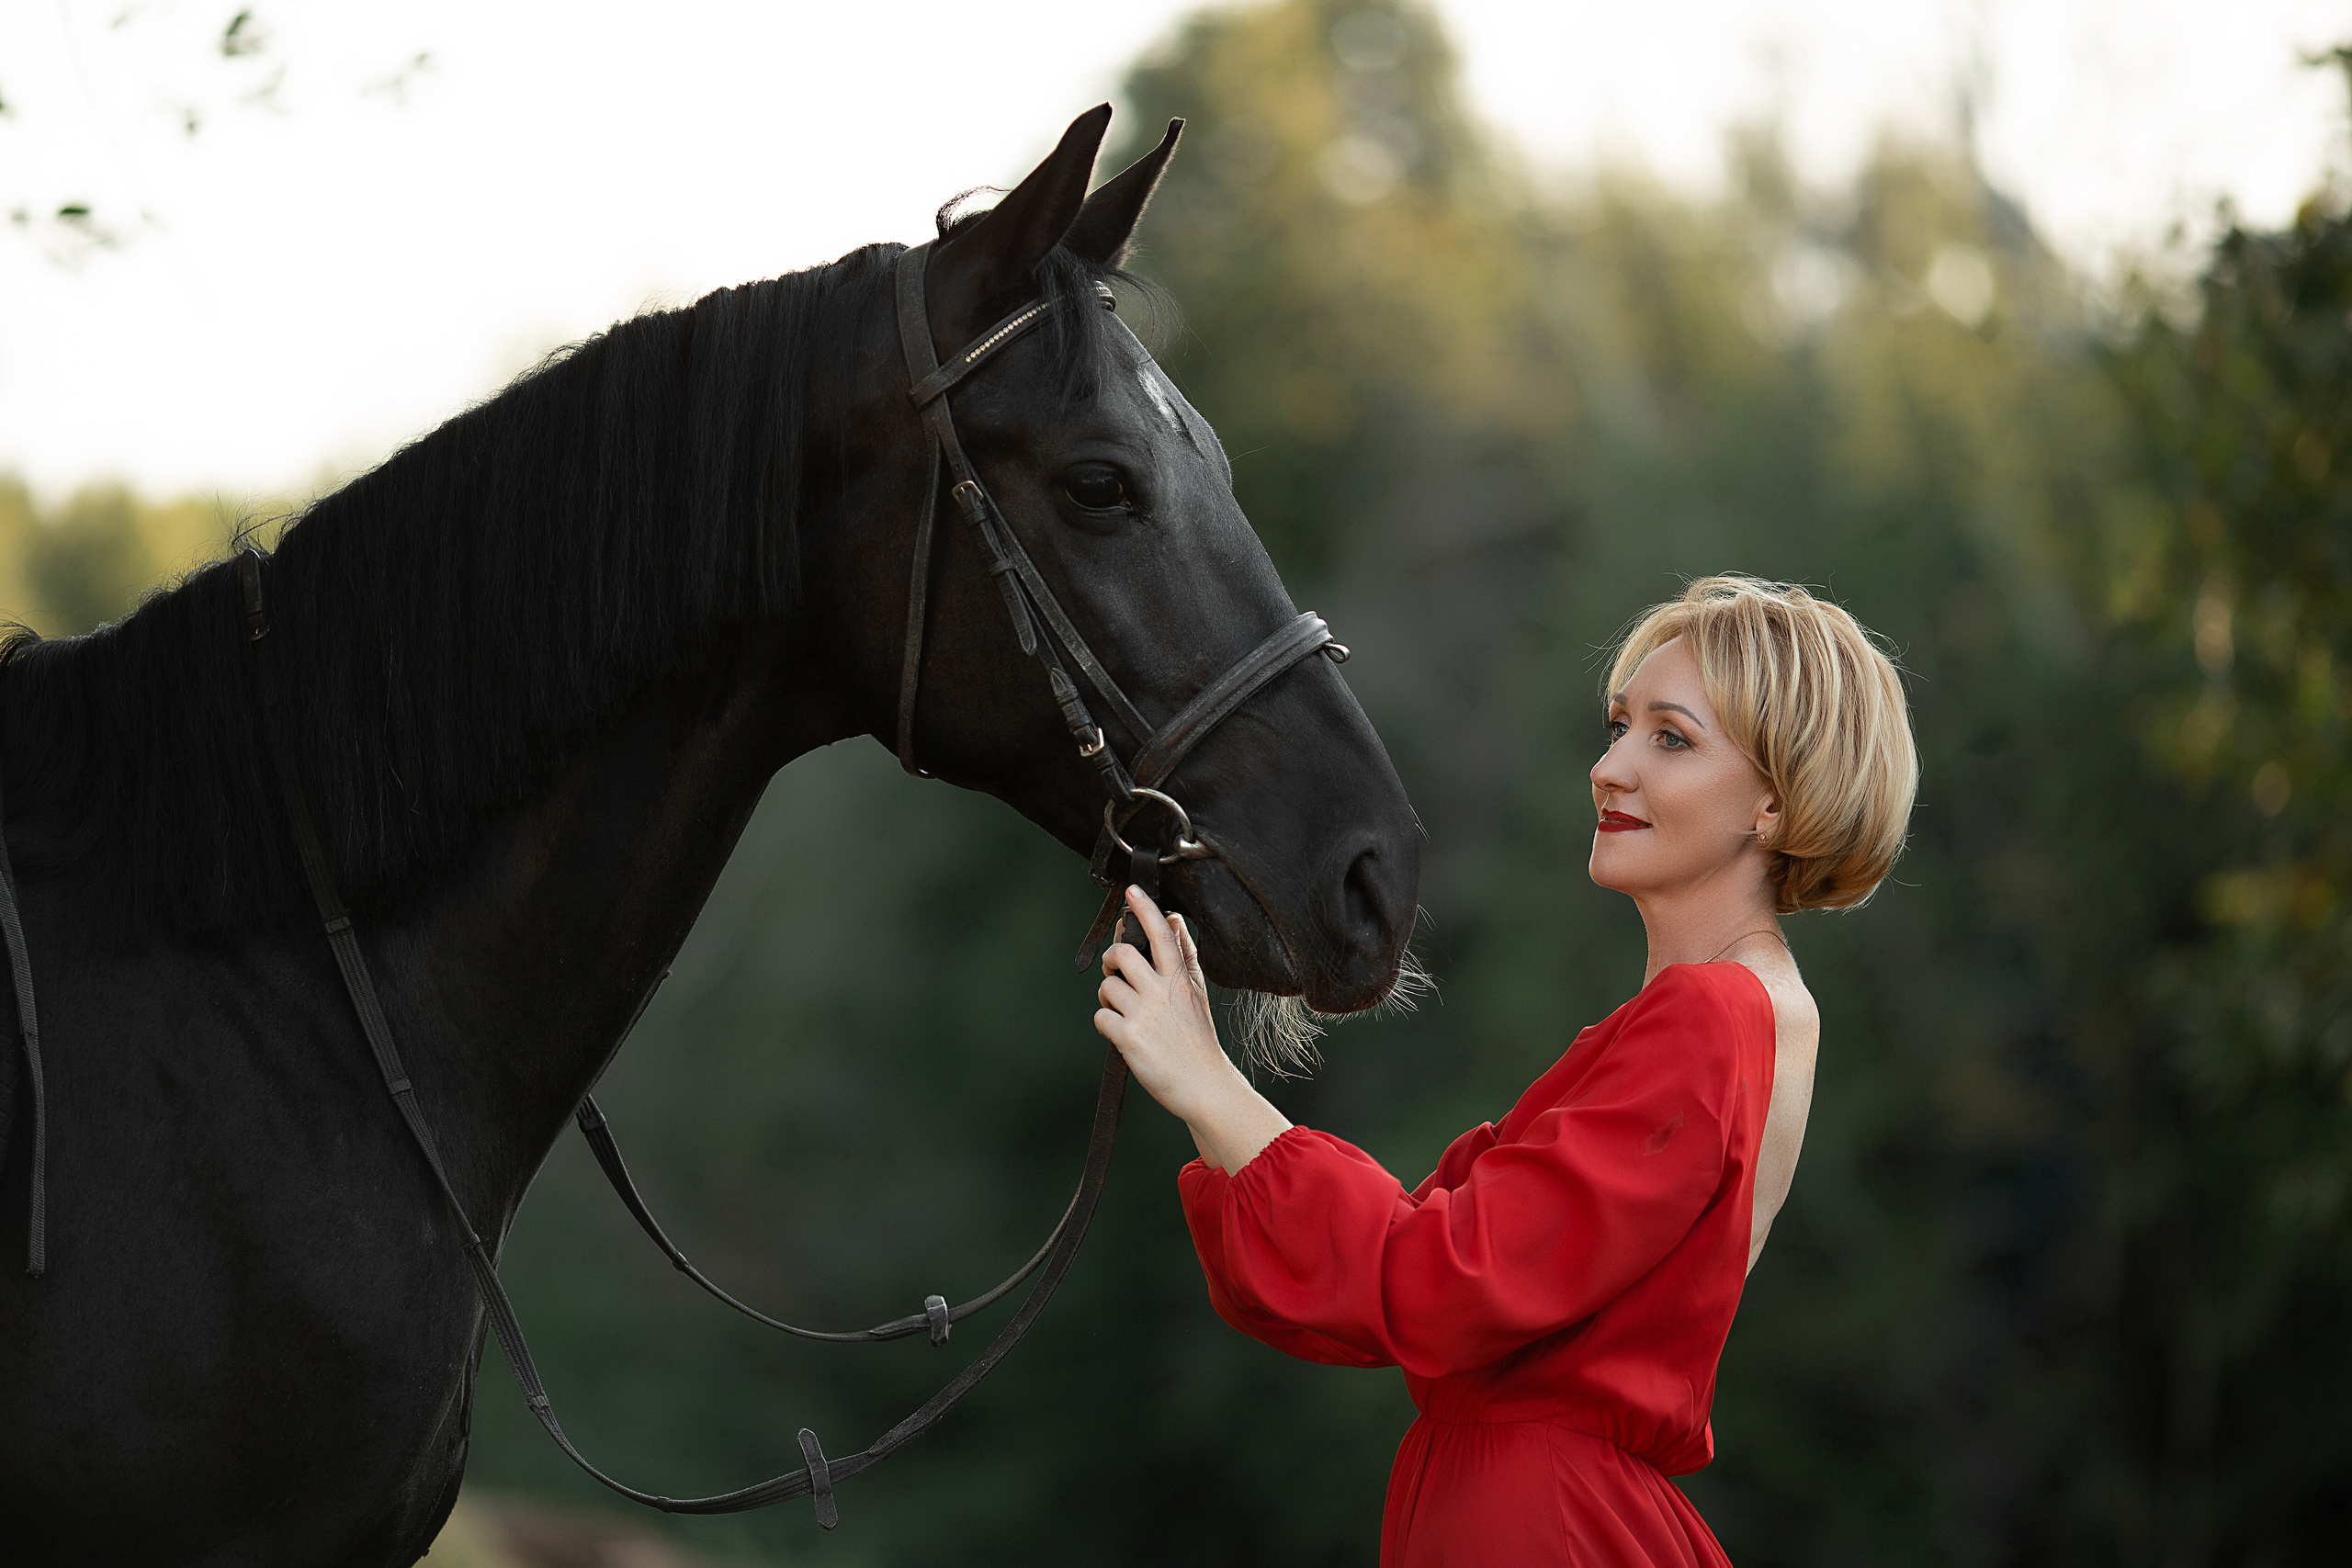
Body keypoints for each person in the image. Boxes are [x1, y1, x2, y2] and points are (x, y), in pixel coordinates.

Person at [1092, 575, 1918, 1566]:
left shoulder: (1709, 1017)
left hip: (1538, 1525)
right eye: (1619, 727)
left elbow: (1435, 1281)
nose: (1609, 768)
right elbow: (1391, 1272)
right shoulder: (1744, 1014)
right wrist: (1198, 1079)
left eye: (1671, 739)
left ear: (1775, 802)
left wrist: (1210, 1082)